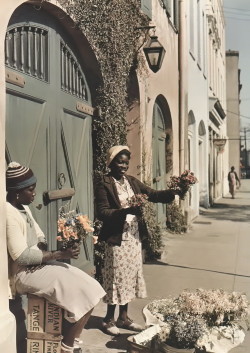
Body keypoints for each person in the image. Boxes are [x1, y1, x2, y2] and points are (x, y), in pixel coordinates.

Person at [6, 162, 106, 353]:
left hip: (38, 265)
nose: (34, 193)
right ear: (17, 192)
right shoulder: (9, 214)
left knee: (92, 287)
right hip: (23, 274)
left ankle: (71, 339)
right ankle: (66, 348)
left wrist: (64, 239)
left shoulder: (23, 207)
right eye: (30, 189)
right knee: (82, 293)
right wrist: (59, 254)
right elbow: (21, 256)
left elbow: (39, 236)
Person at [94, 145, 178, 335]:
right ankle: (108, 319)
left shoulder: (131, 181)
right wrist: (125, 212)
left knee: (130, 276)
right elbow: (102, 212)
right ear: (111, 162)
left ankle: (123, 318)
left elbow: (153, 195)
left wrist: (174, 192)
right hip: (117, 238)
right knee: (116, 277)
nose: (123, 165)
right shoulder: (104, 184)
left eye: (126, 162)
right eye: (119, 161)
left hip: (134, 237)